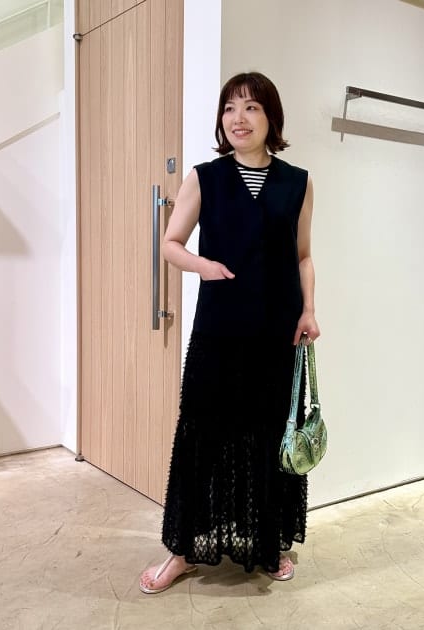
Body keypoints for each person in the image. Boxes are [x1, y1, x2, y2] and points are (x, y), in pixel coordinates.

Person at [139, 71, 320, 594]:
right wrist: (204, 266)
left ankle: (269, 544)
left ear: (271, 118)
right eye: (229, 108)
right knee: (203, 435)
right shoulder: (205, 178)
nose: (239, 118)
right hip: (219, 329)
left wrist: (309, 310)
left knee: (270, 434)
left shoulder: (298, 182)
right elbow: (171, 243)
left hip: (277, 332)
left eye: (251, 108)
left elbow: (303, 255)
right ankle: (182, 552)